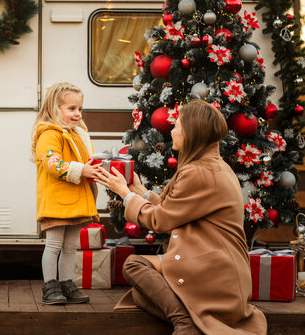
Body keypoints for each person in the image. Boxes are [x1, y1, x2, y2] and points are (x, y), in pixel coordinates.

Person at [94, 100, 267, 334]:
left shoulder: (199, 171)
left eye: (177, 125)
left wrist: (125, 195)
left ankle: (185, 324)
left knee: (135, 267)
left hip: (211, 268)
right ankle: (188, 317)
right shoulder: (212, 166)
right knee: (142, 293)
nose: (172, 130)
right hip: (212, 264)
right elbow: (175, 210)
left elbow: (159, 221)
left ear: (192, 132)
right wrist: (139, 191)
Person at [31, 82, 100, 305]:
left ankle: (66, 283)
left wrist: (91, 169)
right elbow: (53, 163)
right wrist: (82, 170)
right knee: (53, 245)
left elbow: (80, 161)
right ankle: (50, 286)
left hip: (75, 199)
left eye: (79, 109)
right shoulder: (50, 134)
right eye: (71, 109)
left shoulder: (76, 134)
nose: (77, 114)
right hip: (57, 200)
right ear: (54, 108)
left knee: (71, 246)